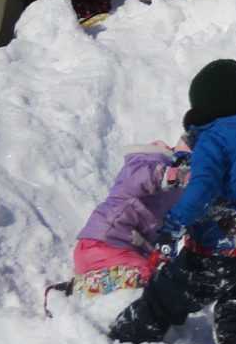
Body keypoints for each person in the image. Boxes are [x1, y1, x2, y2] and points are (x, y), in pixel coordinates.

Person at [108, 59, 236, 344]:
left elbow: (203, 189)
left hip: (218, 243)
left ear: (205, 106)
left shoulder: (214, 139)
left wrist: (174, 224)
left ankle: (124, 335)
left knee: (168, 292)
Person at [51, 128, 194, 302]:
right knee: (145, 276)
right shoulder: (152, 159)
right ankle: (69, 291)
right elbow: (134, 179)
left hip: (122, 257)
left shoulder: (182, 190)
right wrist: (168, 174)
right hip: (102, 245)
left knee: (159, 282)